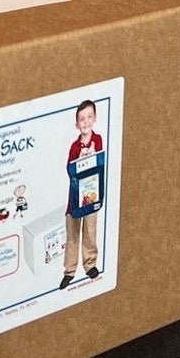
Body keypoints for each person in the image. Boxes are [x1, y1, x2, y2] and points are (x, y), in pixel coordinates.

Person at [59, 99, 104, 289]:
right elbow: (70, 169)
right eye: (81, 119)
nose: (85, 122)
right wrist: (81, 158)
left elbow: (100, 161)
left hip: (92, 194)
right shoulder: (74, 146)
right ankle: (69, 271)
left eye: (89, 117)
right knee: (73, 234)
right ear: (77, 124)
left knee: (90, 231)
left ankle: (90, 264)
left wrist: (92, 154)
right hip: (75, 198)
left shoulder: (98, 139)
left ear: (94, 118)